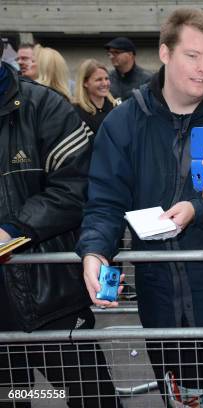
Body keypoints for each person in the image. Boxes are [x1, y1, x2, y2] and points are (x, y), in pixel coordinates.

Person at [77, 8, 203, 407]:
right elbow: (105, 200)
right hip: (162, 309)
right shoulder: (124, 123)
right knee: (181, 400)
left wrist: (198, 210)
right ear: (165, 53)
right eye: (192, 55)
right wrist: (95, 251)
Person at [0, 44, 121, 408]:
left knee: (90, 398)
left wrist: (12, 228)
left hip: (51, 295)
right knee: (11, 397)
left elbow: (78, 185)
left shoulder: (44, 106)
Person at [73, 59, 118, 133]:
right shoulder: (76, 112)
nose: (105, 83)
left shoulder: (115, 106)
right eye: (99, 80)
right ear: (85, 83)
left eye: (106, 79)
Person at [105, 36, 152, 101]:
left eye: (116, 52)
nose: (112, 56)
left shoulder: (147, 80)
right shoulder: (107, 78)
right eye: (110, 53)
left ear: (130, 54)